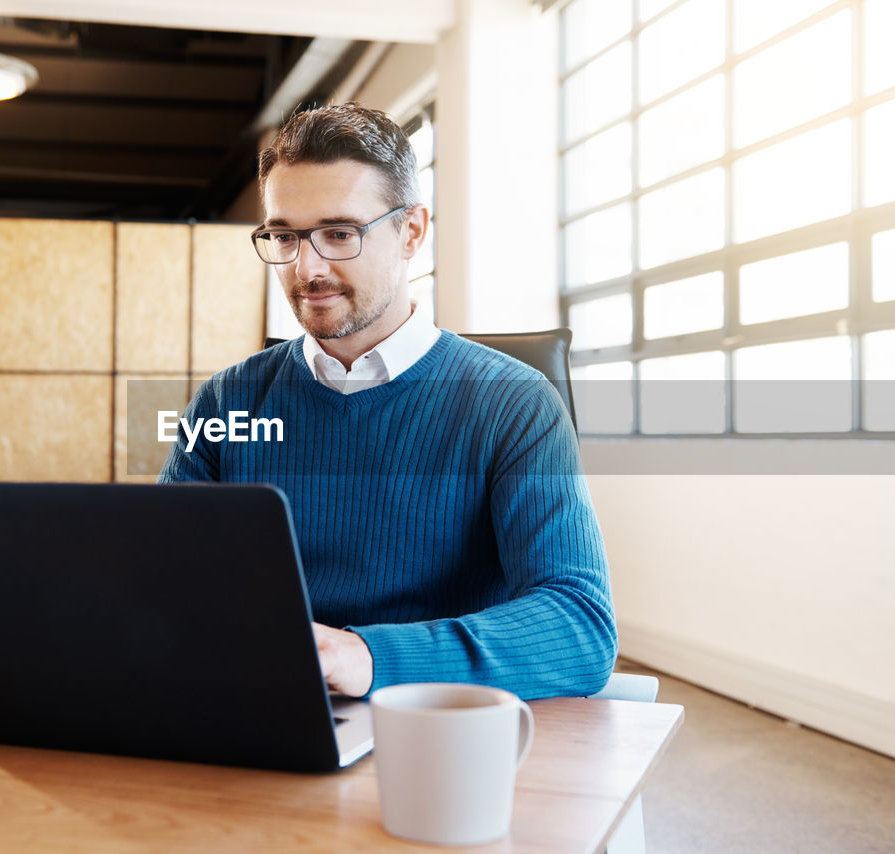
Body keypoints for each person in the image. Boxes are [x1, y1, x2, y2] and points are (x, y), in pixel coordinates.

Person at [158, 103, 616, 700]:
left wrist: (368, 656)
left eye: (340, 234)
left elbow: (578, 627)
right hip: (265, 705)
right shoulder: (227, 401)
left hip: (436, 722)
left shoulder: (514, 404)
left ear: (412, 233)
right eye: (285, 237)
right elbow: (162, 581)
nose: (307, 267)